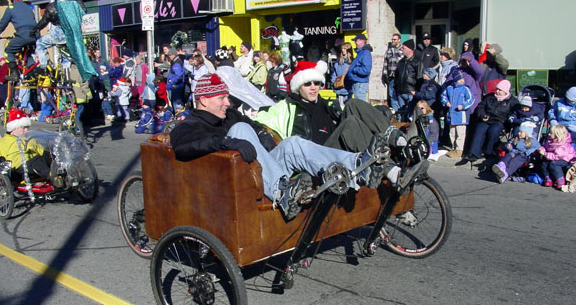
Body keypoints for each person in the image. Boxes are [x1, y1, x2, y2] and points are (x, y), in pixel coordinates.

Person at [170, 73, 425, 220]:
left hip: (261, 171)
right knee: (240, 130)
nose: (228, 102)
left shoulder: (231, 115)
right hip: (236, 187)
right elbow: (181, 145)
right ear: (203, 100)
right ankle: (284, 192)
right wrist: (225, 141)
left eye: (227, 96)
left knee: (292, 143)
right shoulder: (190, 124)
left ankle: (359, 165)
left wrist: (264, 137)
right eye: (221, 98)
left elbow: (258, 129)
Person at [254, 60, 401, 154]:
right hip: (319, 153)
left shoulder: (326, 103)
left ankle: (397, 140)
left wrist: (377, 111)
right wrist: (254, 121)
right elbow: (260, 117)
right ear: (298, 87)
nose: (313, 87)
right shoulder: (288, 106)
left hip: (338, 144)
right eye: (307, 84)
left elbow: (349, 113)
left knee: (352, 103)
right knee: (350, 124)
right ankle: (385, 164)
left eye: (316, 83)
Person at [460, 79, 519, 163]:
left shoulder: (512, 101)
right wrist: (482, 115)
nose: (497, 91)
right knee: (480, 129)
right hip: (487, 119)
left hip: (501, 121)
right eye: (497, 89)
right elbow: (480, 107)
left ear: (505, 91)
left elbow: (514, 113)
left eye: (500, 90)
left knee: (493, 131)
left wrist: (507, 121)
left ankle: (489, 151)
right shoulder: (489, 97)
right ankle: (474, 153)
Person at [0, 108, 50, 181]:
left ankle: (62, 174)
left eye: (27, 128)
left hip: (34, 166)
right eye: (23, 128)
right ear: (14, 128)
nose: (26, 130)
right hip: (18, 170)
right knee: (37, 161)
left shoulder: (29, 139)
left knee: (48, 154)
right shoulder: (2, 142)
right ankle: (52, 176)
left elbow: (42, 151)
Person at [0, 0, 38, 82]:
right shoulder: (28, 7)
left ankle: (15, 74)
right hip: (35, 35)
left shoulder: (11, 8)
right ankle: (34, 71)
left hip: (23, 35)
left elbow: (3, 23)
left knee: (8, 51)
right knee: (28, 52)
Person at [440, 70, 475, 157]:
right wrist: (446, 102)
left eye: (462, 79)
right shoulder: (449, 88)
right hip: (451, 115)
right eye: (460, 79)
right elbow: (443, 96)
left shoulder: (465, 89)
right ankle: (453, 147)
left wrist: (463, 106)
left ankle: (459, 149)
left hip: (461, 115)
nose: (462, 81)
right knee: (452, 132)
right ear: (455, 80)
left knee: (460, 133)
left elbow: (471, 99)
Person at [537, 124, 575, 189]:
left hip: (566, 159)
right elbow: (545, 147)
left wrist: (545, 154)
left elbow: (558, 156)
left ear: (557, 135)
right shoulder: (550, 141)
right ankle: (548, 178)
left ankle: (560, 179)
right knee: (544, 162)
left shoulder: (562, 145)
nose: (549, 134)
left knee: (554, 164)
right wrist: (541, 149)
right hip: (553, 156)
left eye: (551, 133)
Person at [394, 39, 423, 120]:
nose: (401, 49)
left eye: (403, 48)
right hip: (400, 92)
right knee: (401, 115)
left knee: (411, 114)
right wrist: (395, 89)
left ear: (410, 49)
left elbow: (420, 77)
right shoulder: (401, 62)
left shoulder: (417, 61)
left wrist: (417, 91)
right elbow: (397, 76)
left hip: (411, 92)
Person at [346, 34, 372, 102]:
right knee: (357, 106)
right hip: (356, 83)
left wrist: (354, 69)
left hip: (360, 84)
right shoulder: (360, 52)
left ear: (362, 41)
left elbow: (366, 70)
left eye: (356, 40)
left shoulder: (365, 53)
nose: (355, 42)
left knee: (361, 106)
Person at [383, 33, 403, 110]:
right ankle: (396, 112)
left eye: (394, 39)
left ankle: (401, 114)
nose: (393, 41)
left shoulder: (402, 49)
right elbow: (385, 63)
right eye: (392, 39)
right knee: (392, 95)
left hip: (399, 77)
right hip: (391, 76)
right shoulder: (389, 50)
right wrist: (385, 74)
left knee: (399, 95)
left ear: (399, 40)